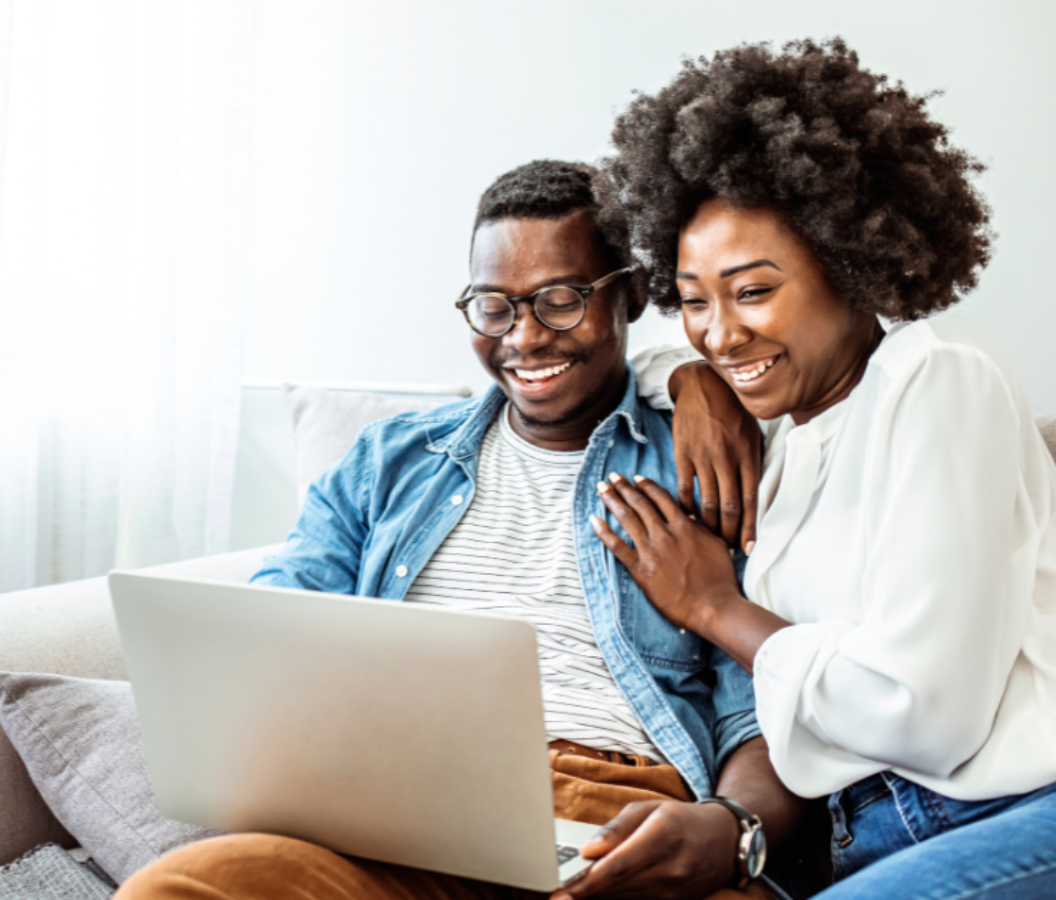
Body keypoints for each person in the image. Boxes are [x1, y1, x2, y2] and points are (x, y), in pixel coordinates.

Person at [116, 161, 812, 900]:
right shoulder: (389, 461)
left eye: (561, 301)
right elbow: (267, 635)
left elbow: (765, 707)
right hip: (394, 812)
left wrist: (732, 827)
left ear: (633, 293)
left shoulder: (707, 463)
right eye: (492, 306)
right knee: (177, 888)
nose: (525, 337)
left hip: (613, 814)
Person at [589, 38, 1056, 899]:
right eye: (692, 301)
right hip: (868, 842)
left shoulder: (936, 375)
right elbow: (645, 362)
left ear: (850, 264)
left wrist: (716, 607)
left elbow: (926, 715)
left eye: (753, 291)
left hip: (1043, 808)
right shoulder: (787, 432)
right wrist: (691, 381)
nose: (721, 334)